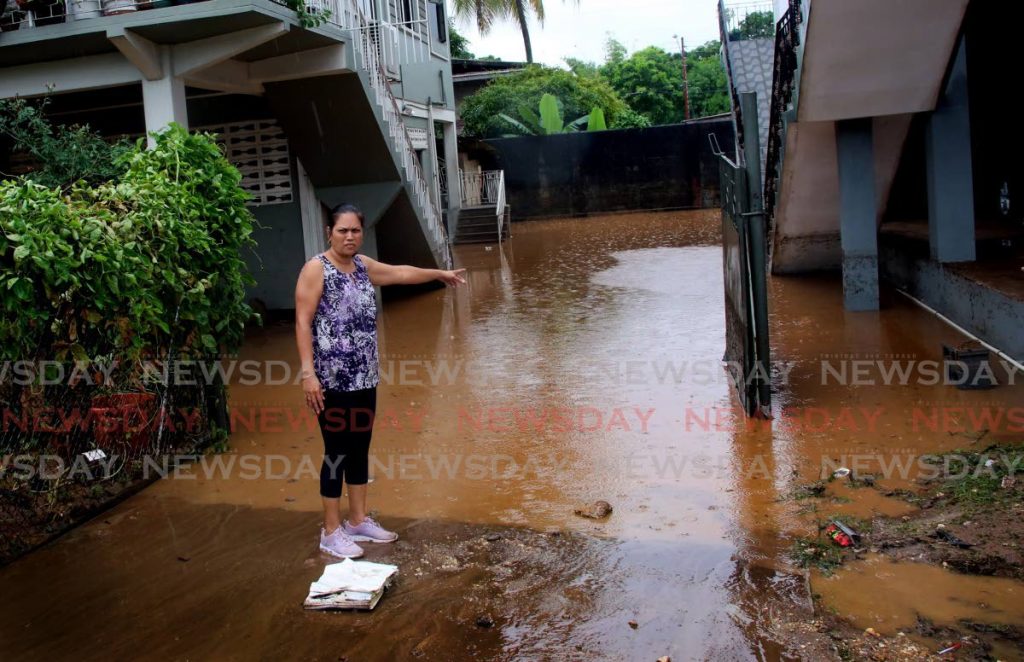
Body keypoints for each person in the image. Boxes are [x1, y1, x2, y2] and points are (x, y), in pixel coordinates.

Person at [294, 203, 466, 559]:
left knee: (359, 448)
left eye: (355, 230)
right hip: (331, 381)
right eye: (342, 230)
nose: (349, 236)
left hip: (364, 377)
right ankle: (330, 530)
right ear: (330, 232)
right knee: (336, 453)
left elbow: (401, 273)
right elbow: (302, 322)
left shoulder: (362, 266)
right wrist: (308, 374)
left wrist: (439, 273)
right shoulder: (316, 269)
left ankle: (357, 520)